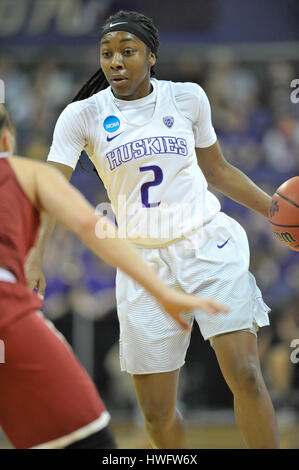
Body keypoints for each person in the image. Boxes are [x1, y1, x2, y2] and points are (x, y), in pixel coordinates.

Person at [26, 10, 280, 449]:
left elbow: (217, 170)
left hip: (207, 244)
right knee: (158, 413)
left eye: (128, 51)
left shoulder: (187, 98)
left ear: (152, 57)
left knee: (246, 374)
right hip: (141, 259)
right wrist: (35, 254)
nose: (116, 62)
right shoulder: (81, 115)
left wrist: (275, 212)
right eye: (107, 54)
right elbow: (50, 187)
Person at [0, 104, 226, 449]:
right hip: (8, 317)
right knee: (90, 440)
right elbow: (93, 226)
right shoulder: (26, 173)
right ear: (6, 139)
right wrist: (162, 291)